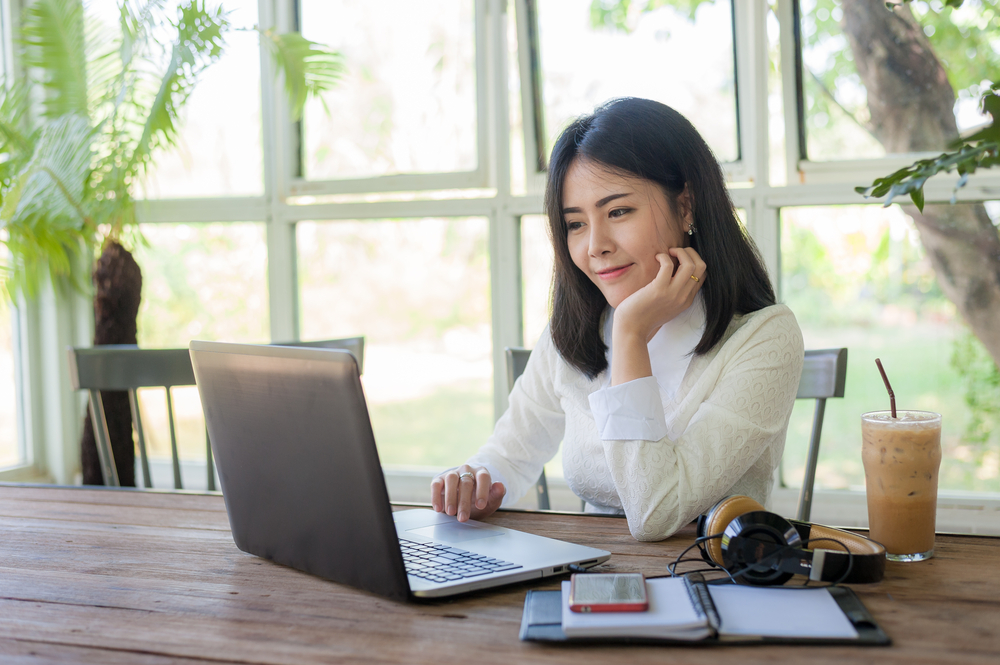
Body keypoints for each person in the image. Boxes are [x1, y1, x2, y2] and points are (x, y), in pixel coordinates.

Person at [430, 97, 804, 541]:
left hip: (715, 586)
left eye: (618, 212)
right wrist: (474, 481)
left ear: (686, 207)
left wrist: (630, 333)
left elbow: (655, 512)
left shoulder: (764, 337)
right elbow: (510, 456)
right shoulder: (574, 331)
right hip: (592, 579)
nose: (595, 246)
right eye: (575, 224)